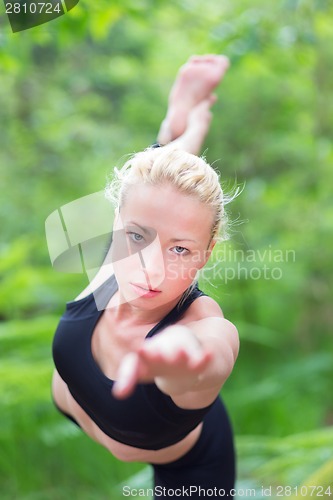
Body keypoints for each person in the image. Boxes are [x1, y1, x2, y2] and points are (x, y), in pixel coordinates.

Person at [51, 54, 239, 499]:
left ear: (207, 253)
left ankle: (179, 131)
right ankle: (176, 127)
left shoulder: (200, 322)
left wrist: (182, 356)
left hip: (191, 463)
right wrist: (180, 137)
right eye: (136, 236)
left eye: (180, 249)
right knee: (160, 192)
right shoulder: (115, 260)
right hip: (81, 407)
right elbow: (156, 198)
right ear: (117, 221)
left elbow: (213, 349)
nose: (150, 269)